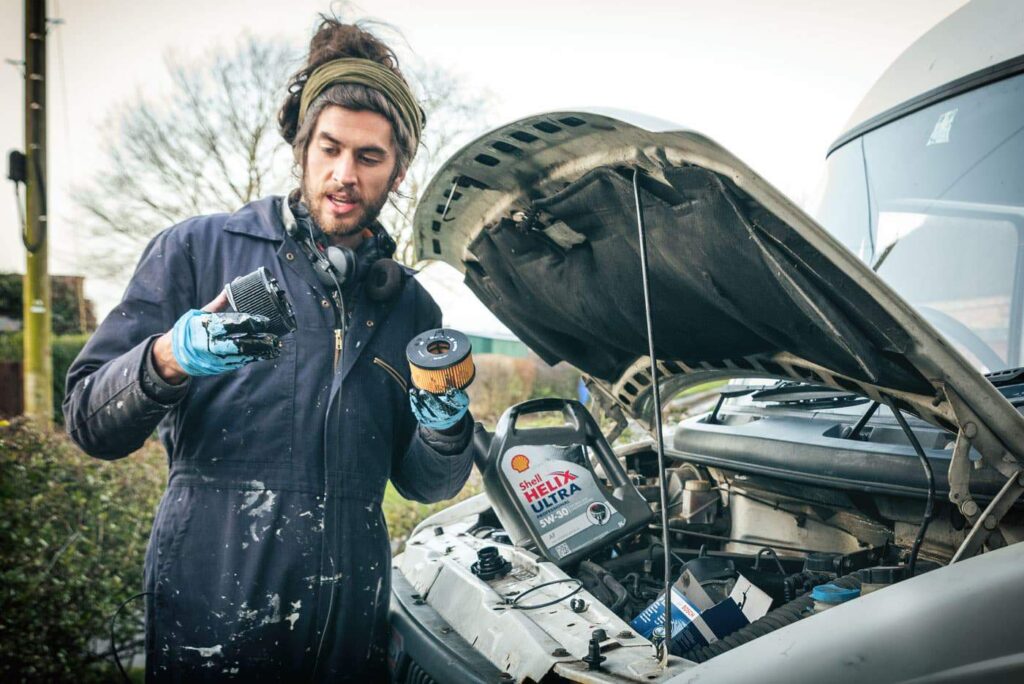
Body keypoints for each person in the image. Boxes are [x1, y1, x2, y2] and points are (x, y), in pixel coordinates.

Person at [63, 17, 474, 682]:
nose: (344, 175)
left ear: (397, 171)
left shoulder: (409, 309)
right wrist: (170, 357)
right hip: (211, 624)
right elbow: (87, 419)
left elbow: (425, 483)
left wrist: (447, 433)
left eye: (369, 158)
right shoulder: (199, 251)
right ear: (302, 147)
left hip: (348, 636)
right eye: (329, 149)